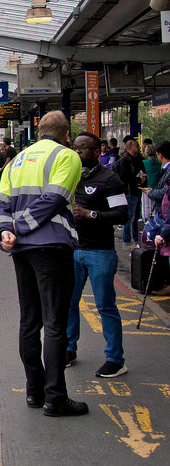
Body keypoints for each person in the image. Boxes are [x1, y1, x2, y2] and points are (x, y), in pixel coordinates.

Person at [0, 110, 87, 417]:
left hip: (21, 251)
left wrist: (6, 230)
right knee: (55, 323)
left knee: (30, 322)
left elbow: (0, 202)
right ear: (66, 133)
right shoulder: (67, 157)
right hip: (52, 247)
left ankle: (34, 391)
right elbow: (54, 200)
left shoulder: (16, 160)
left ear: (39, 130)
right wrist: (18, 227)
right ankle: (55, 397)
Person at [66, 132, 129, 378]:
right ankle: (69, 349)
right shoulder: (71, 177)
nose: (78, 151)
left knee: (105, 305)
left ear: (96, 151)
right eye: (75, 147)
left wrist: (92, 214)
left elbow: (122, 214)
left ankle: (115, 358)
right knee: (69, 303)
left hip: (100, 251)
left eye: (83, 148)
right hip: (74, 250)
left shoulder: (109, 179)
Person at [116, 138, 147, 248]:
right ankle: (127, 241)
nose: (138, 148)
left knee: (135, 217)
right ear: (130, 147)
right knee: (130, 217)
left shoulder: (137, 158)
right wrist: (138, 180)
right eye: (136, 146)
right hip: (129, 192)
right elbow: (123, 177)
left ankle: (135, 240)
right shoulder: (126, 160)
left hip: (137, 191)